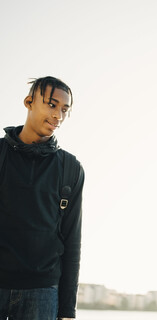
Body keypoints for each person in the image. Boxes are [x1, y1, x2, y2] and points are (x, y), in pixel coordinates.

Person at [0, 76, 84, 320]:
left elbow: (72, 242)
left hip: (42, 294)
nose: (58, 115)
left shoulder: (71, 168)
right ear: (29, 102)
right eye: (51, 104)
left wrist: (67, 310)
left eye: (64, 109)